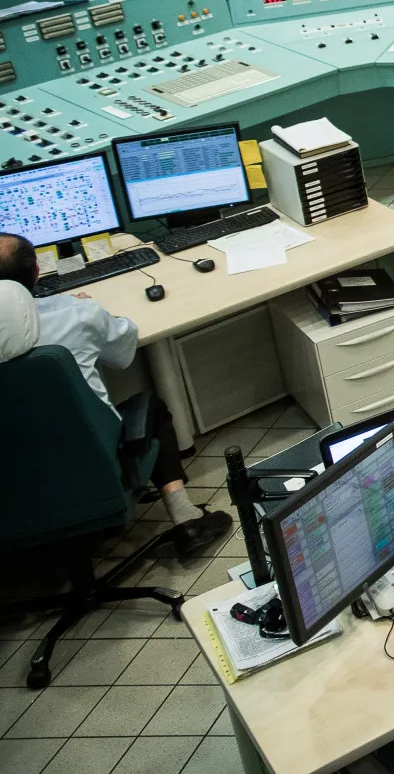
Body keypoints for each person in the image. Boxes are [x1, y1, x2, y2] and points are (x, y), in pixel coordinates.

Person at [0, 233, 231, 556]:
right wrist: (91, 309)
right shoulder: (76, 313)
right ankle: (186, 519)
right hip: (89, 464)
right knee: (151, 408)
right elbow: (123, 354)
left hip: (11, 484)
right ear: (37, 272)